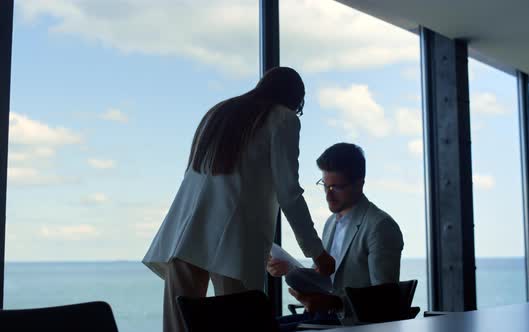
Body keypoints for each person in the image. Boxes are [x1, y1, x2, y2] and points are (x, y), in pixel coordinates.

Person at [142, 67, 336, 332]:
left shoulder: (218, 113)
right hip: (234, 242)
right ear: (294, 99)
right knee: (239, 324)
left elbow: (218, 184)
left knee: (178, 327)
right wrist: (317, 252)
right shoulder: (283, 119)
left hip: (185, 232)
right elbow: (288, 192)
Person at [267, 143, 404, 329]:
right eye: (325, 185)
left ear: (360, 183)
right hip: (322, 317)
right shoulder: (331, 223)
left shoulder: (380, 226)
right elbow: (322, 278)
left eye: (337, 187)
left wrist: (334, 304)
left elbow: (384, 300)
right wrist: (290, 269)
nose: (328, 196)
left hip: (351, 323)